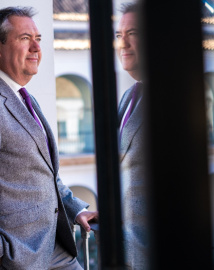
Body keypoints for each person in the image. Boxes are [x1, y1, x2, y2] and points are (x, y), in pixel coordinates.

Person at [0, 6, 98, 270]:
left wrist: (76, 210)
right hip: (14, 255)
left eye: (38, 40)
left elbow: (46, 174)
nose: (36, 48)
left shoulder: (25, 97)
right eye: (25, 39)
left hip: (53, 246)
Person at [116, 2, 148, 270]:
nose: (123, 43)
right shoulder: (130, 96)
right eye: (119, 35)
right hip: (130, 251)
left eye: (133, 33)